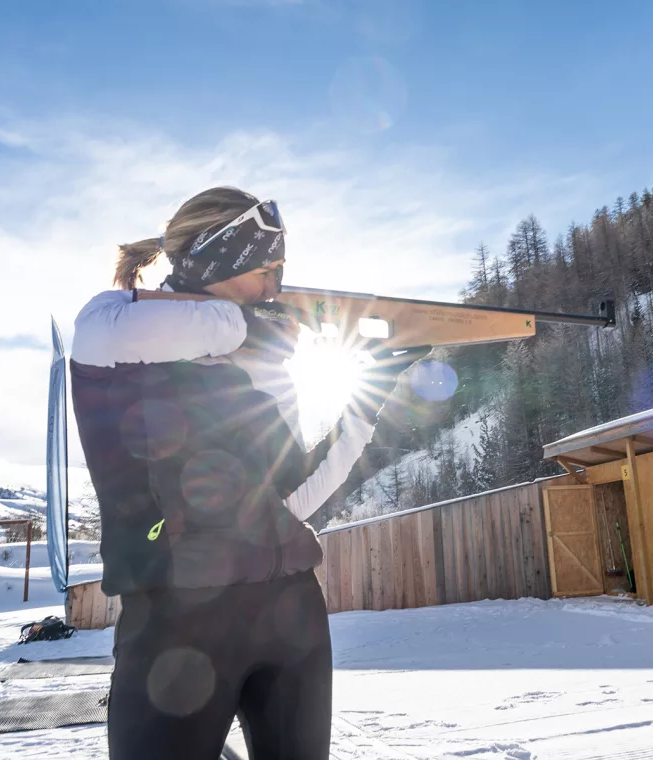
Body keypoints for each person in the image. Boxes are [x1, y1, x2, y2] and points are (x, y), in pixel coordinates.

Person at [69, 186, 425, 759]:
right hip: (175, 623)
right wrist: (247, 328)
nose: (275, 288)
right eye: (265, 269)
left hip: (291, 613)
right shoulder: (116, 331)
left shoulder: (259, 365)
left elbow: (292, 502)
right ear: (217, 261)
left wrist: (369, 402)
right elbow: (98, 325)